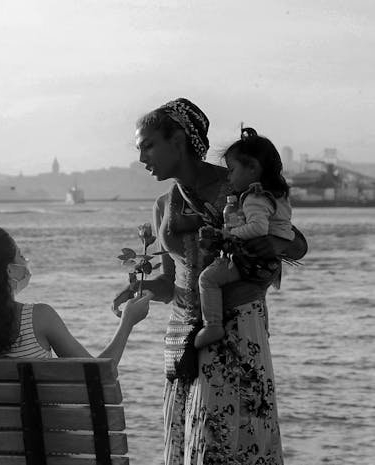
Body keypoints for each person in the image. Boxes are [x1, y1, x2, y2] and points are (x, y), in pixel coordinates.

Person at [113, 98, 307, 464]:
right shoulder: (163, 205)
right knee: (190, 443)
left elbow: (296, 244)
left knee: (229, 444)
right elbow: (171, 285)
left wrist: (275, 243)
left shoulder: (236, 189)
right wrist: (141, 287)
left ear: (180, 141)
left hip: (235, 328)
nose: (142, 158)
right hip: (184, 337)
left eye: (149, 145)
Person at [0, 227, 152, 363]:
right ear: (8, 270)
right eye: (21, 255)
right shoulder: (39, 318)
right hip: (37, 439)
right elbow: (101, 375)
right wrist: (127, 323)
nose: (26, 262)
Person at [194, 127, 294, 348]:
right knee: (258, 297)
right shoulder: (278, 195)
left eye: (231, 170)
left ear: (252, 169)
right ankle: (263, 330)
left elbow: (258, 228)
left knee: (207, 279)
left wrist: (228, 234)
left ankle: (212, 325)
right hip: (269, 264)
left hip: (253, 259)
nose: (228, 176)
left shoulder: (254, 198)